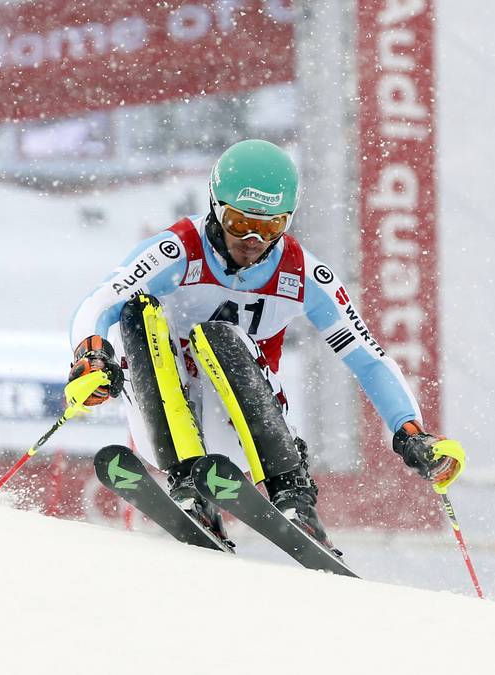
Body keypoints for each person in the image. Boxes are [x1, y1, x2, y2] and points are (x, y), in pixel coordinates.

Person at [66, 139, 464, 552]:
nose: (254, 239)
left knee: (220, 336)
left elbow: (369, 360)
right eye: (239, 223)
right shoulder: (177, 250)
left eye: (271, 226)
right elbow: (99, 303)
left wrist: (411, 432)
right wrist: (91, 357)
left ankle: (291, 490)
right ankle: (190, 487)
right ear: (215, 207)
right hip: (162, 425)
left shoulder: (304, 274)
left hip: (242, 432)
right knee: (136, 312)